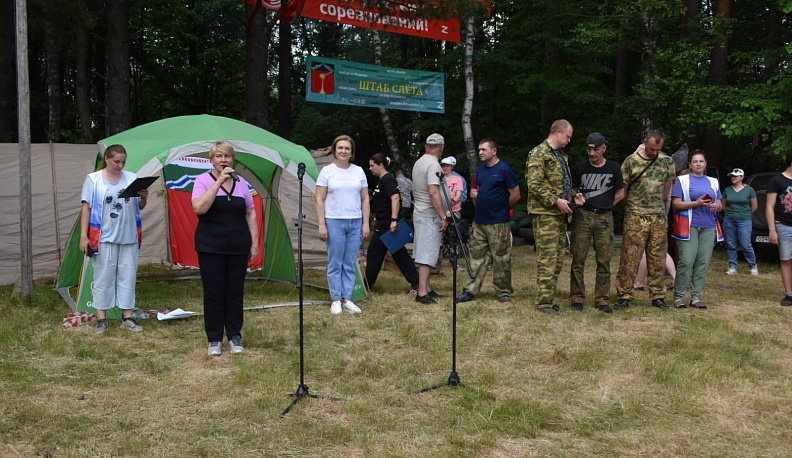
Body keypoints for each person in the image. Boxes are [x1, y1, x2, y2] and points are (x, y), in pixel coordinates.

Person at [192, 141, 259, 355]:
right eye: (219, 156)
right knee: (214, 291)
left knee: (234, 291)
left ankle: (234, 335)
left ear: (233, 159)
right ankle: (214, 338)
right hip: (210, 246)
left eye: (227, 156)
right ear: (211, 160)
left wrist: (254, 242)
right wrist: (219, 181)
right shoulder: (202, 180)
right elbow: (199, 208)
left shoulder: (241, 182)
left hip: (238, 245)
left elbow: (250, 212)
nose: (224, 160)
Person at [80, 144, 148, 334]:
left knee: (128, 276)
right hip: (104, 237)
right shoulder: (93, 179)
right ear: (107, 159)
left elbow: (140, 206)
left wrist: (143, 197)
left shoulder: (132, 178)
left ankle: (127, 316)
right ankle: (101, 318)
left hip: (129, 237)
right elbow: (86, 208)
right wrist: (83, 237)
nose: (120, 165)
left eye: (123, 162)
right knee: (103, 277)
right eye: (117, 161)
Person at [614, 129, 676, 310]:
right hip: (635, 214)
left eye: (657, 149)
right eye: (651, 149)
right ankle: (624, 294)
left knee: (657, 257)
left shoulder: (666, 161)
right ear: (644, 142)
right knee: (630, 257)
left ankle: (658, 295)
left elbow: (667, 189)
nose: (654, 152)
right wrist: (631, 209)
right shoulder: (631, 161)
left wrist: (657, 206)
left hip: (657, 216)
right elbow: (622, 190)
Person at [456, 139, 520, 303]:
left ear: (494, 151)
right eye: (479, 149)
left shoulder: (505, 170)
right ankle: (470, 290)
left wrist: (503, 210)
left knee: (501, 257)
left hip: (498, 222)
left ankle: (503, 292)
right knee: (476, 257)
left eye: (484, 149)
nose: (481, 152)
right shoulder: (481, 170)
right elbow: (474, 191)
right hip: (479, 221)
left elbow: (515, 195)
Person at [568, 132, 625, 314]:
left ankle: (602, 299)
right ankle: (577, 297)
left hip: (604, 218)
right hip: (583, 216)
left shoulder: (613, 168)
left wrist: (608, 205)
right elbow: (573, 189)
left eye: (596, 150)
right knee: (578, 258)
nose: (592, 153)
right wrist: (575, 197)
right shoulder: (580, 168)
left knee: (604, 260)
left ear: (603, 149)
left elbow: (620, 192)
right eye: (589, 149)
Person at [316, 135, 370, 315]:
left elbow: (364, 199)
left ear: (351, 152)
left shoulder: (359, 171)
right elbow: (319, 199)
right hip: (334, 221)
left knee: (349, 262)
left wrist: (365, 223)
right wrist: (322, 224)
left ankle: (347, 298)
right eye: (340, 148)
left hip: (355, 222)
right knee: (335, 262)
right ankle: (335, 299)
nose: (343, 151)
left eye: (347, 148)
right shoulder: (327, 171)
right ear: (334, 150)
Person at [526, 119, 574, 314]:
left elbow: (560, 182)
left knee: (557, 259)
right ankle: (543, 303)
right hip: (546, 213)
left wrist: (572, 195)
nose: (569, 141)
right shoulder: (539, 153)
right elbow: (534, 184)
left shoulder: (561, 156)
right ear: (557, 132)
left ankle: (549, 297)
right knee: (547, 259)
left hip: (560, 214)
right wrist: (556, 200)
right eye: (568, 136)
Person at [670, 150, 724, 309]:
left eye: (701, 161)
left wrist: (717, 206)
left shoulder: (713, 181)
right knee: (686, 261)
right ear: (690, 164)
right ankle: (678, 296)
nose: (698, 164)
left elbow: (720, 203)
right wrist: (696, 203)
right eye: (695, 161)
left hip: (708, 225)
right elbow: (676, 204)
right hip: (688, 225)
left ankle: (696, 297)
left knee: (702, 262)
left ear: (705, 164)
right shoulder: (682, 180)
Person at [365, 153, 419, 293]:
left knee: (374, 253)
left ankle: (367, 284)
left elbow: (395, 198)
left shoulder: (387, 179)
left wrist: (393, 220)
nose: (370, 168)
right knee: (399, 254)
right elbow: (384, 201)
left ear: (381, 165)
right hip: (383, 220)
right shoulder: (383, 180)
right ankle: (416, 282)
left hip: (387, 224)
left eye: (372, 165)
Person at [411, 133, 450, 304]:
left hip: (421, 211)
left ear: (427, 146)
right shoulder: (433, 165)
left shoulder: (420, 162)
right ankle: (422, 294)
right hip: (429, 213)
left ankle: (427, 288)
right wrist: (443, 215)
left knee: (426, 250)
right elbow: (433, 192)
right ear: (441, 148)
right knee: (427, 253)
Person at [766, 151, 792, 307]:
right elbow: (769, 207)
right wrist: (772, 230)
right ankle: (789, 294)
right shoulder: (777, 180)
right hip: (783, 225)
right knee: (786, 260)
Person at [722, 168, 759, 276]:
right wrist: (730, 213)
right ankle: (733, 266)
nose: (733, 178)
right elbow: (724, 205)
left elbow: (755, 206)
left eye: (736, 176)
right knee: (731, 244)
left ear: (742, 177)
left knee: (745, 244)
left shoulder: (749, 190)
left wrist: (745, 214)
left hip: (744, 220)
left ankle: (753, 266)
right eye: (732, 176)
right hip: (729, 219)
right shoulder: (727, 190)